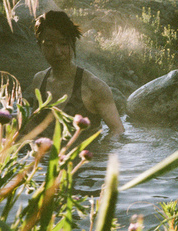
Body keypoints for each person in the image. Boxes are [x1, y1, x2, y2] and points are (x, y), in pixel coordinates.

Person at [25, 10, 124, 138]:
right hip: (46, 155)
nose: (57, 51)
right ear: (40, 46)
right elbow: (34, 122)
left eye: (63, 44)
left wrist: (101, 152)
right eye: (49, 45)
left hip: (85, 155)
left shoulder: (94, 86)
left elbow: (118, 131)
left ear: (73, 43)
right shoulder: (39, 80)